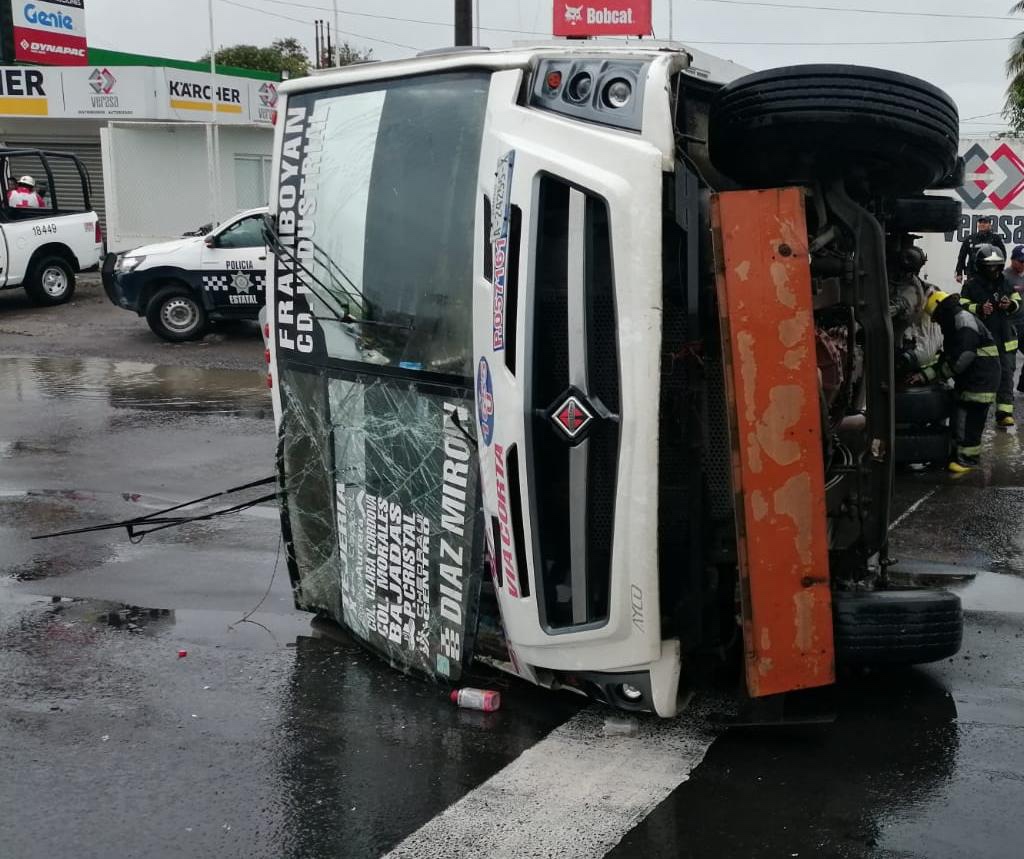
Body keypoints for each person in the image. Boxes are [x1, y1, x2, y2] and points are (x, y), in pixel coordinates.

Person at [917, 290, 1000, 473]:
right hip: (975, 378)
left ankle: (967, 460)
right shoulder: (955, 320)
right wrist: (925, 375)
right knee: (959, 416)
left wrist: (941, 374)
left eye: (936, 318)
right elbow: (948, 355)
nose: (936, 322)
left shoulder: (962, 322)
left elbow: (962, 356)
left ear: (941, 311)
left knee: (969, 421)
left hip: (980, 380)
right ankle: (956, 455)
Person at [960, 244, 1019, 426]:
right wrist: (978, 308)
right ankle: (976, 411)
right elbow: (961, 304)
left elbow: (1017, 301)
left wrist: (1009, 304)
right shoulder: (971, 285)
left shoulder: (1005, 283)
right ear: (980, 265)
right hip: (981, 338)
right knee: (981, 376)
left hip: (1003, 338)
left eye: (996, 265)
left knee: (1006, 374)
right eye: (989, 266)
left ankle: (1004, 413)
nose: (993, 270)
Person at [955, 215, 1006, 283]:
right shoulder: (970, 239)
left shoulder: (995, 239)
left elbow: (1003, 255)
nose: (982, 224)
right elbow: (962, 257)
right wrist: (959, 273)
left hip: (989, 273)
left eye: (985, 222)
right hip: (973, 273)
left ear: (990, 225)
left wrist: (998, 270)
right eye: (980, 222)